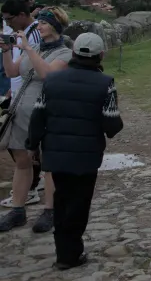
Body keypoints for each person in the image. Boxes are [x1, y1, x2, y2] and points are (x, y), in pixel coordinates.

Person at [28, 33, 123, 271]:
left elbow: (38, 115)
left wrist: (33, 145)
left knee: (61, 199)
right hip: (86, 155)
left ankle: (63, 251)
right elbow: (111, 124)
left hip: (56, 151)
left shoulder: (52, 81)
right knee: (79, 203)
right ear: (101, 55)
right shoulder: (105, 83)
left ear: (73, 53)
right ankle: (71, 253)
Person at [0, 5, 72, 233]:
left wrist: (29, 49)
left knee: (49, 164)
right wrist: (6, 50)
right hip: (21, 112)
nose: (38, 26)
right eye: (39, 22)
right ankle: (17, 210)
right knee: (22, 161)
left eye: (43, 23)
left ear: (55, 26)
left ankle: (49, 211)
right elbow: (12, 72)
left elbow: (47, 74)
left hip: (47, 113)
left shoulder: (65, 53)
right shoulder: (34, 48)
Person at [0, 0, 43, 209]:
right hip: (18, 93)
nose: (8, 23)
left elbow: (35, 67)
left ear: (22, 15)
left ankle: (31, 188)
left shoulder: (34, 35)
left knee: (23, 146)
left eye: (10, 19)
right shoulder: (20, 34)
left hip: (30, 96)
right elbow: (14, 69)